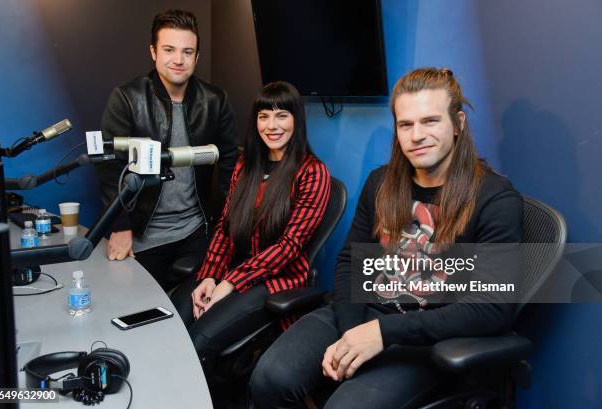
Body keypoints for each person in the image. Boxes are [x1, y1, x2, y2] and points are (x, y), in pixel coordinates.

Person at [250, 67, 523, 408]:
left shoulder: (495, 198)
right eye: (405, 124)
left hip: (425, 337)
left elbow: (493, 309)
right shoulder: (380, 183)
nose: (416, 135)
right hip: (361, 314)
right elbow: (352, 262)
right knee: (269, 378)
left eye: (430, 121)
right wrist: (353, 332)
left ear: (458, 124)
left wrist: (382, 334)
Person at [171, 80, 331, 380]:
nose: (272, 125)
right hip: (235, 270)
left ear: (297, 119)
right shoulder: (246, 166)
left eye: (281, 115)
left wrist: (229, 282)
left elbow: (289, 247)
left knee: (197, 341)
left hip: (276, 281)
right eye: (263, 116)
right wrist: (209, 275)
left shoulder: (312, 172)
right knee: (171, 322)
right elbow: (225, 228)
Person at [95, 9, 238, 291]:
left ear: (197, 57)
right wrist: (120, 226)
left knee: (198, 308)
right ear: (153, 51)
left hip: (197, 230)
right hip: (143, 233)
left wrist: (223, 228)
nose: (178, 60)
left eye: (187, 52)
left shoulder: (215, 100)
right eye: (169, 49)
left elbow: (229, 164)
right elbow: (109, 166)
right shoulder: (127, 98)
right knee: (135, 312)